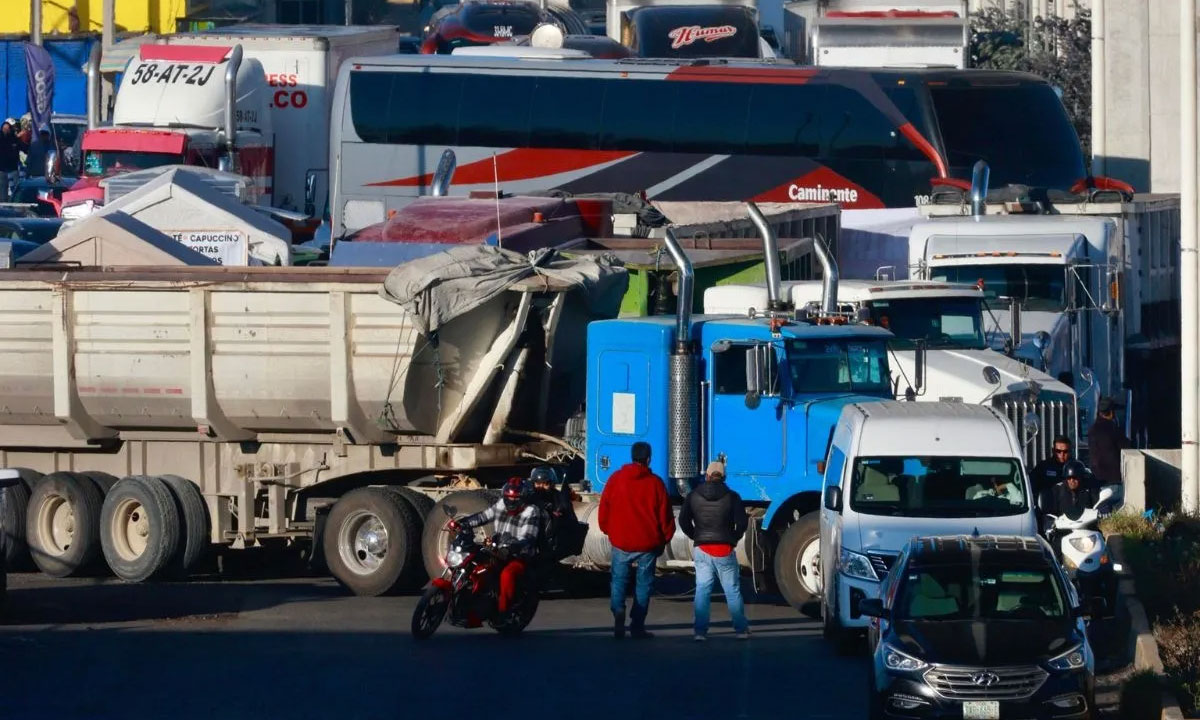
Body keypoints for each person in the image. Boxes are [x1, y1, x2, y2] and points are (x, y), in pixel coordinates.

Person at [598, 441, 675, 639]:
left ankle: (618, 610)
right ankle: (637, 624)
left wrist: (607, 529)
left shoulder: (616, 479)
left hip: (621, 540)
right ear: (648, 459)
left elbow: (604, 507)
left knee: (618, 581)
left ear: (632, 457)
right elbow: (665, 515)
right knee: (644, 585)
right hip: (647, 543)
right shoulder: (656, 483)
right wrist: (664, 538)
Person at [449, 477, 544, 617]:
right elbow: (483, 516)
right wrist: (463, 523)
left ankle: (503, 611)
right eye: (508, 498)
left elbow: (529, 536)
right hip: (496, 550)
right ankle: (466, 600)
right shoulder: (501, 505)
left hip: (518, 555)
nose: (511, 502)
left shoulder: (531, 511)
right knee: (473, 563)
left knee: (507, 575)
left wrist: (514, 545)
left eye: (515, 499)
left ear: (522, 498)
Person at [678, 460, 749, 641]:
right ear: (723, 477)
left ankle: (700, 632)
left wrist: (696, 536)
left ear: (707, 476)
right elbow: (742, 523)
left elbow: (683, 520)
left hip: (702, 548)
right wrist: (733, 539)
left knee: (702, 590)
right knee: (732, 590)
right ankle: (741, 630)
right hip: (724, 548)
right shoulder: (733, 497)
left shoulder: (693, 495)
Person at [1087, 397, 1129, 502]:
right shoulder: (1113, 429)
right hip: (1112, 481)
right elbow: (1127, 447)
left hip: (1097, 481)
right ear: (1111, 412)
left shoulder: (1092, 430)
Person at [1044, 460, 1098, 535]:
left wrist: (1103, 510)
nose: (1072, 480)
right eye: (1069, 478)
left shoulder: (1089, 489)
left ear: (1081, 477)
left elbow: (1099, 503)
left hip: (1086, 530)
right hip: (1063, 532)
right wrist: (1050, 522)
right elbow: (1049, 512)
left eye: (1075, 477)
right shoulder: (1057, 490)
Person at [1030, 435, 1073, 506]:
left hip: (1069, 506)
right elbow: (1031, 485)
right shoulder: (1043, 466)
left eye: (1065, 451)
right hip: (1048, 507)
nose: (1062, 454)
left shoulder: (1075, 466)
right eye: (1058, 451)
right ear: (1053, 451)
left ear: (1070, 451)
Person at [0, 120, 22, 202]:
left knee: (16, 187)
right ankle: (3, 203)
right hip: (1, 168)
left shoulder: (14, 138)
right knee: (2, 187)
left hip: (13, 167)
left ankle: (17, 201)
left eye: (7, 128)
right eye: (4, 128)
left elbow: (22, 147)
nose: (5, 130)